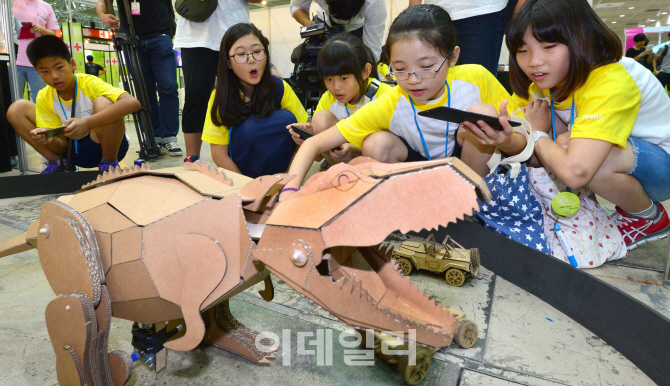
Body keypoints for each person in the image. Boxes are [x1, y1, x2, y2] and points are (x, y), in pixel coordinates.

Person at [280, 4, 526, 200]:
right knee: (376, 143)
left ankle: (472, 204)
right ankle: (403, 205)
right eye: (400, 69)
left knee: (482, 112)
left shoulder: (476, 78)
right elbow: (313, 145)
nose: (413, 80)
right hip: (416, 176)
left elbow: (525, 134)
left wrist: (509, 139)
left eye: (426, 67)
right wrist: (288, 194)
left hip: (467, 172)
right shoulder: (391, 100)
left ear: (453, 57)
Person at [506, 0, 670, 249]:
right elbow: (526, 148)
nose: (534, 61)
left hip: (661, 168)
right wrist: (502, 137)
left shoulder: (611, 78)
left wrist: (537, 133)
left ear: (581, 39)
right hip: (628, 163)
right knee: (559, 144)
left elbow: (576, 171)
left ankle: (647, 217)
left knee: (572, 151)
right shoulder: (539, 85)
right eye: (522, 50)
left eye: (549, 46)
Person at [6, 36, 140, 173]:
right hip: (71, 152)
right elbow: (62, 147)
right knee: (17, 109)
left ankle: (109, 165)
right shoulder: (44, 96)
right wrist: (50, 140)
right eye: (44, 71)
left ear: (72, 64)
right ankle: (59, 163)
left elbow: (132, 103)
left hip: (108, 148)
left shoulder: (89, 82)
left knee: (104, 102)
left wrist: (87, 123)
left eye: (59, 67)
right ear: (38, 73)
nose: (54, 76)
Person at [201, 23, 308, 178]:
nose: (251, 60)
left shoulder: (280, 87)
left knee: (289, 120)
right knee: (248, 130)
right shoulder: (220, 96)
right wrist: (247, 189)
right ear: (228, 62)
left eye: (257, 51)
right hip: (243, 178)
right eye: (241, 54)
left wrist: (289, 179)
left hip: (283, 176)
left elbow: (304, 139)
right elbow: (219, 154)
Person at [288, 33, 393, 167]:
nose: (336, 87)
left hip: (379, 166)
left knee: (360, 114)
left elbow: (391, 146)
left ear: (365, 71)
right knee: (321, 119)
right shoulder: (328, 98)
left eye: (344, 78)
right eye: (328, 79)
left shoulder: (385, 96)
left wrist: (355, 151)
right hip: (343, 168)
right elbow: (318, 157)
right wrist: (308, 136)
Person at [174, 0, 259, 164]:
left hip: (235, 32)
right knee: (196, 97)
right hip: (195, 35)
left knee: (241, 97)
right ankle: (192, 161)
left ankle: (243, 156)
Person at [96, 0, 182, 156]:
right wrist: (102, 15)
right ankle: (153, 135)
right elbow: (103, 1)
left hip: (160, 34)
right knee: (145, 92)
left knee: (168, 86)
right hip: (132, 39)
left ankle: (169, 136)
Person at [408, 0, 522, 75]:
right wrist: (414, 10)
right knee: (430, 80)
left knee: (477, 85)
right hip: (435, 11)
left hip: (483, 12)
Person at [289, 0, 387, 61]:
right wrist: (306, 22)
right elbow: (297, 6)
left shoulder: (376, 3)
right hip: (323, 26)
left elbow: (373, 51)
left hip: (358, 31)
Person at [13, 0, 59, 102]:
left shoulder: (46, 7)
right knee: (14, 98)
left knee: (40, 98)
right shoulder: (11, 3)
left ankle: (41, 118)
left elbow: (53, 34)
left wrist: (41, 29)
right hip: (14, 59)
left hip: (37, 59)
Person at [653, 33, 670, 97]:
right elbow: (655, 60)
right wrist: (655, 70)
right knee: (659, 92)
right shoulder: (663, 48)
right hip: (663, 72)